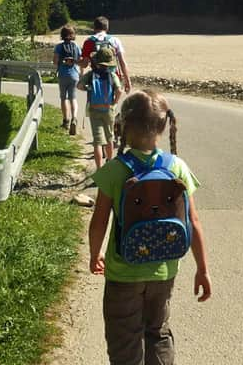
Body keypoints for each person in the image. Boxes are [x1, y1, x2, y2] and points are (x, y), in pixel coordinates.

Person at [88, 90, 211, 365]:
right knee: (157, 332)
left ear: (123, 126)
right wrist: (202, 269)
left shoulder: (114, 169)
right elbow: (193, 221)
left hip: (123, 271)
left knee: (124, 336)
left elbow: (99, 222)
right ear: (164, 126)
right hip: (164, 270)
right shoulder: (177, 166)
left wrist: (95, 254)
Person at [78, 48, 123, 170]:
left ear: (97, 61)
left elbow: (79, 86)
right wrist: (114, 103)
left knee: (97, 142)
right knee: (109, 138)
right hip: (108, 109)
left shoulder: (91, 75)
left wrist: (89, 88)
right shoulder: (112, 75)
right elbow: (119, 90)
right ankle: (109, 164)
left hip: (94, 110)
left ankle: (99, 169)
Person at [79, 16, 132, 94]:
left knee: (94, 102)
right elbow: (122, 62)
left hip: (95, 78)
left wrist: (75, 62)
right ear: (107, 28)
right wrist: (127, 81)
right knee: (110, 102)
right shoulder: (115, 40)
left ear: (94, 28)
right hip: (112, 77)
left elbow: (84, 64)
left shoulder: (88, 41)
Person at [53, 24, 81, 135]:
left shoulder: (59, 47)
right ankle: (74, 118)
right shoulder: (76, 46)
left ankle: (66, 121)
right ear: (73, 35)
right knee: (73, 98)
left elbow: (55, 61)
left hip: (63, 75)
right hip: (74, 75)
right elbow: (79, 60)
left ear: (62, 35)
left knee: (64, 98)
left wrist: (61, 63)